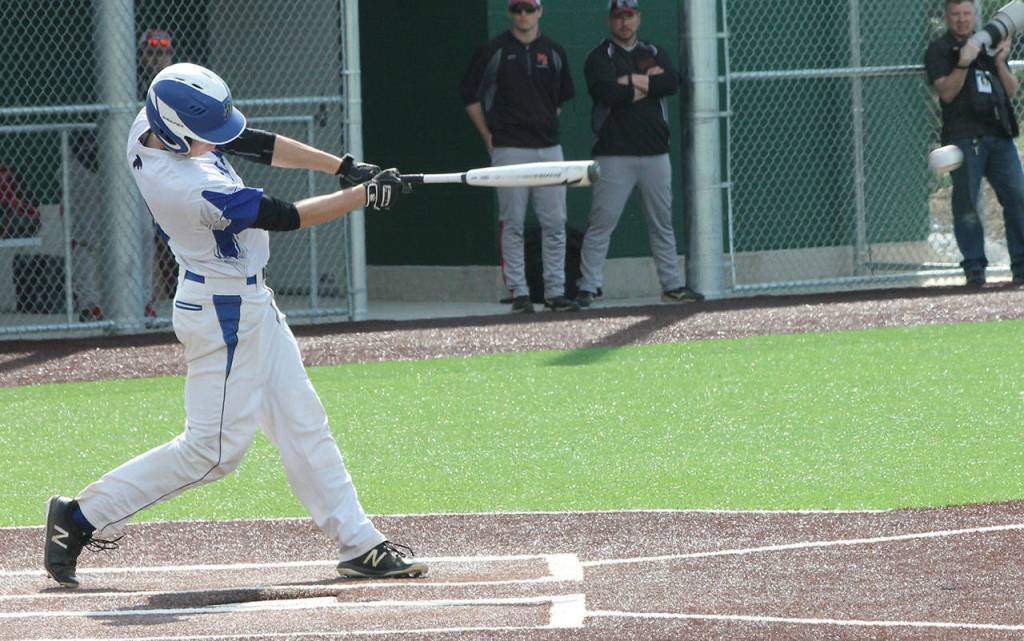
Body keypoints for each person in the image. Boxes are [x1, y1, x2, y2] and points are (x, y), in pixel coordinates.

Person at [43, 63, 426, 589]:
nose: (216, 142)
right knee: (213, 452)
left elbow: (252, 141)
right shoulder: (187, 186)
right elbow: (286, 215)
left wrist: (343, 166)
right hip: (222, 311)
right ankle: (79, 518)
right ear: (177, 133)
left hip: (249, 300)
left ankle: (359, 543)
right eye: (205, 137)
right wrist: (364, 196)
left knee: (301, 421)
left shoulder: (154, 124)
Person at [575, 0, 701, 308]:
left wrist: (630, 80)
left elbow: (672, 82)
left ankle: (671, 286)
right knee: (602, 222)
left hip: (655, 153)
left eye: (629, 16)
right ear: (610, 20)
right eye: (618, 17)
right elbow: (607, 93)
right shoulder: (599, 55)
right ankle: (588, 287)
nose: (624, 23)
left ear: (638, 18)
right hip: (613, 154)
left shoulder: (653, 52)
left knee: (662, 223)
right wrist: (648, 84)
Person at [461, 0, 579, 313]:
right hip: (509, 147)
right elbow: (470, 96)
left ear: (540, 11)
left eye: (529, 9)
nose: (523, 16)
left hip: (549, 148)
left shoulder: (554, 51)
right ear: (509, 13)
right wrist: (488, 136)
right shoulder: (494, 50)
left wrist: (543, 124)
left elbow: (561, 98)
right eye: (518, 10)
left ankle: (555, 292)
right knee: (511, 221)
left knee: (555, 222)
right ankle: (519, 291)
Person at [925, 0, 1024, 287]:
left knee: (1017, 198)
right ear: (947, 17)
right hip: (964, 139)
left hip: (999, 138)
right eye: (955, 14)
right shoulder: (939, 50)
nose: (961, 19)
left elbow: (1012, 90)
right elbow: (946, 93)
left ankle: (1020, 266)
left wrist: (998, 62)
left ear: (974, 16)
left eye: (967, 13)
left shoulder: (987, 47)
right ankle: (974, 268)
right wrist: (964, 61)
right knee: (966, 203)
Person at [139, 29, 178, 311]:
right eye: (151, 52)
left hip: (170, 168)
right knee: (140, 233)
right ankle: (141, 301)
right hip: (139, 165)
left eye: (162, 52)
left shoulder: (177, 80)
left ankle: (171, 296)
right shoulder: (129, 79)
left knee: (172, 232)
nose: (157, 57)